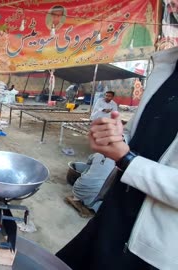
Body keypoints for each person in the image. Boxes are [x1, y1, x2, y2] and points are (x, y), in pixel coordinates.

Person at [56, 46, 178, 270]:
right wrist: (111, 136)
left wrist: (127, 159)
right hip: (113, 212)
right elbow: (136, 134)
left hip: (151, 249)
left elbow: (128, 156)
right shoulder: (165, 67)